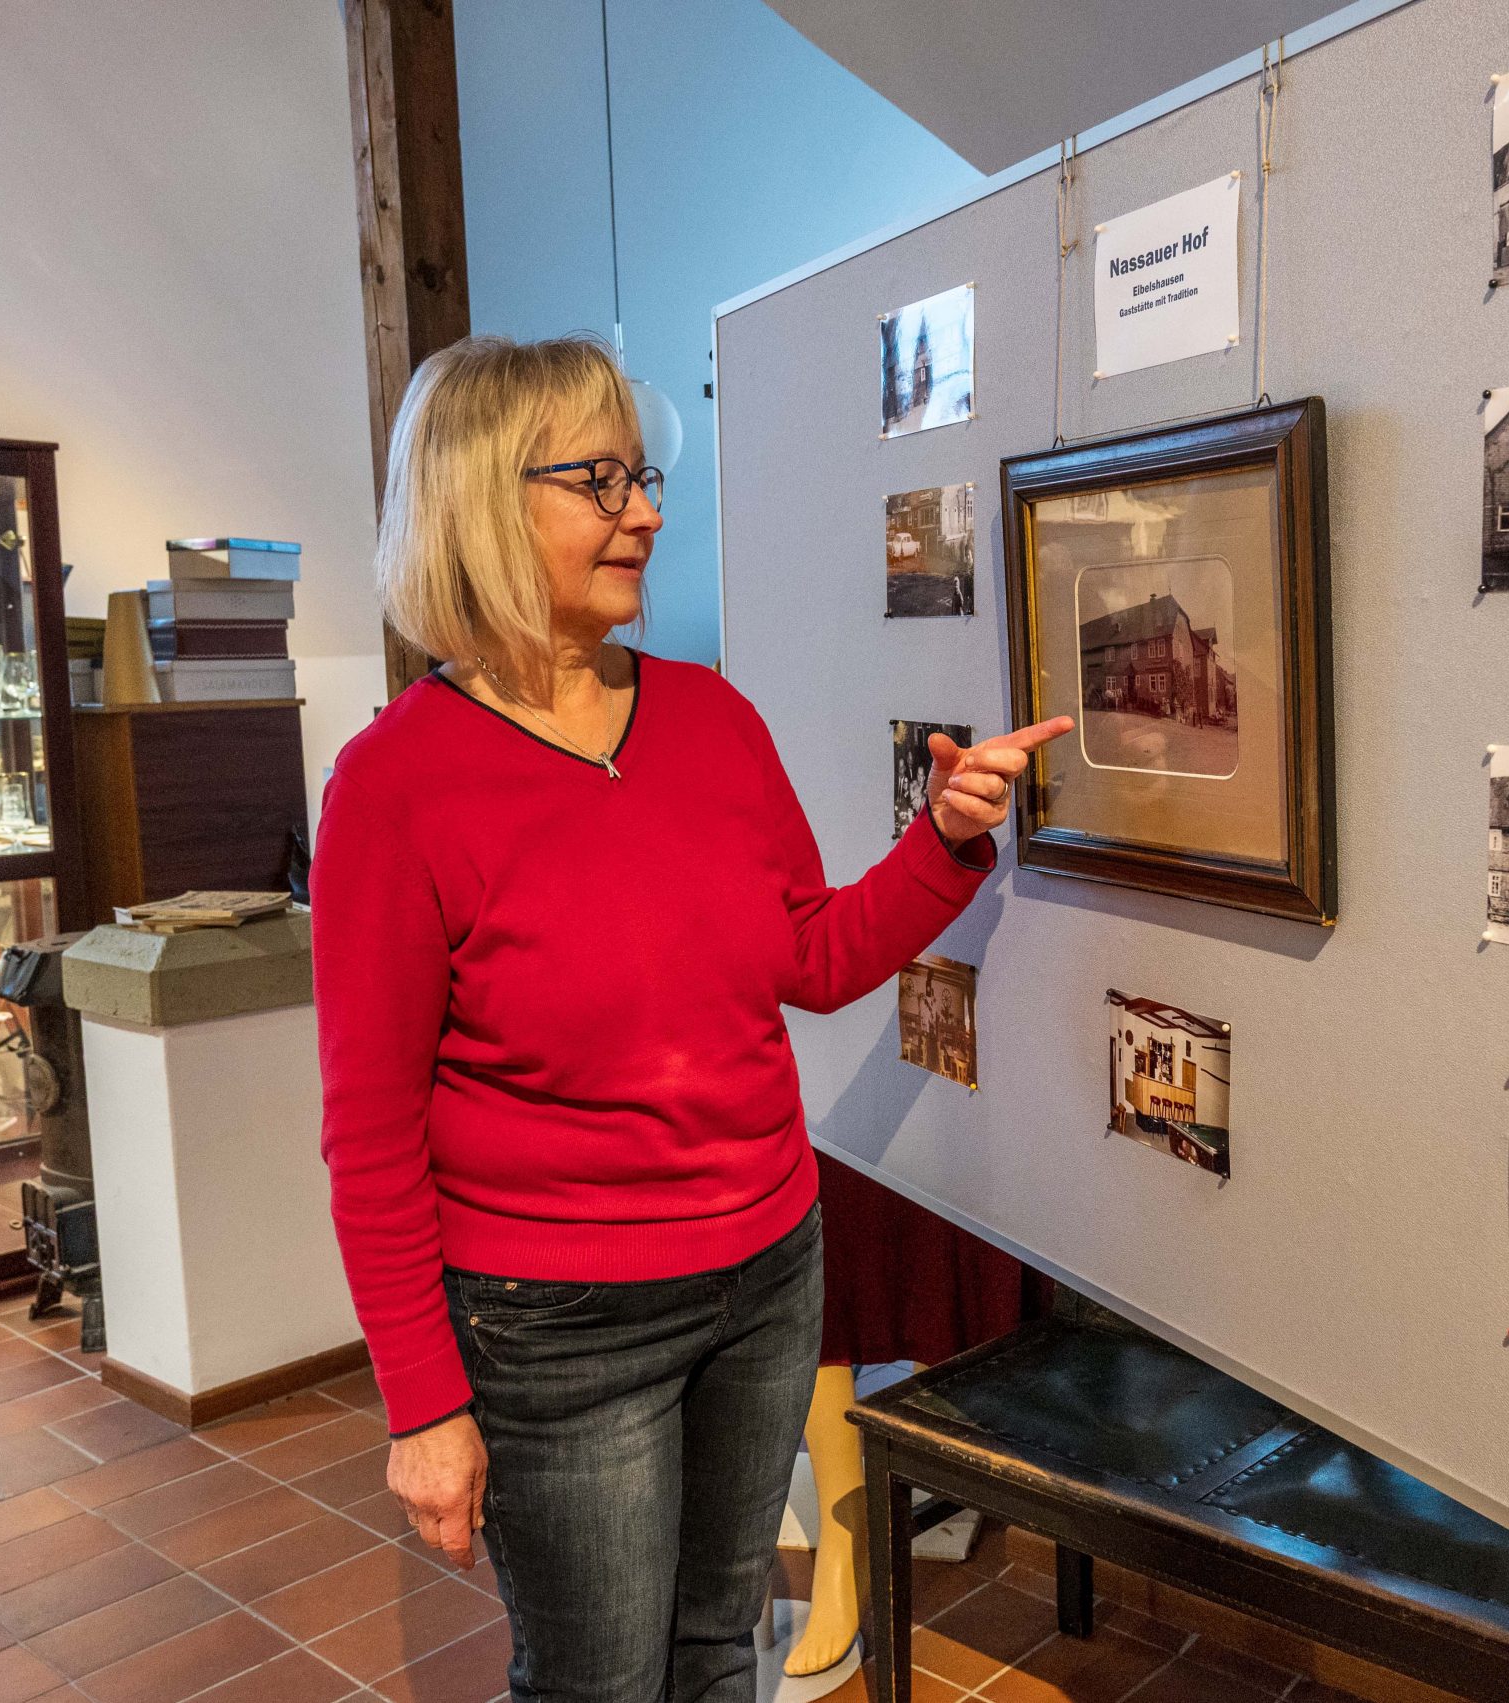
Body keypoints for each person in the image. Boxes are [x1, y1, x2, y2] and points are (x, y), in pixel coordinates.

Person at [311, 332, 1072, 1703]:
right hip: (558, 1325)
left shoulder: (712, 719)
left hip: (768, 1275)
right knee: (598, 1684)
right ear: (481, 502)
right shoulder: (395, 787)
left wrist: (946, 841)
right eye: (599, 481)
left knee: (718, 1653)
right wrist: (423, 1405)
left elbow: (811, 956)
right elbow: (369, 1141)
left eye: (642, 476)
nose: (647, 514)